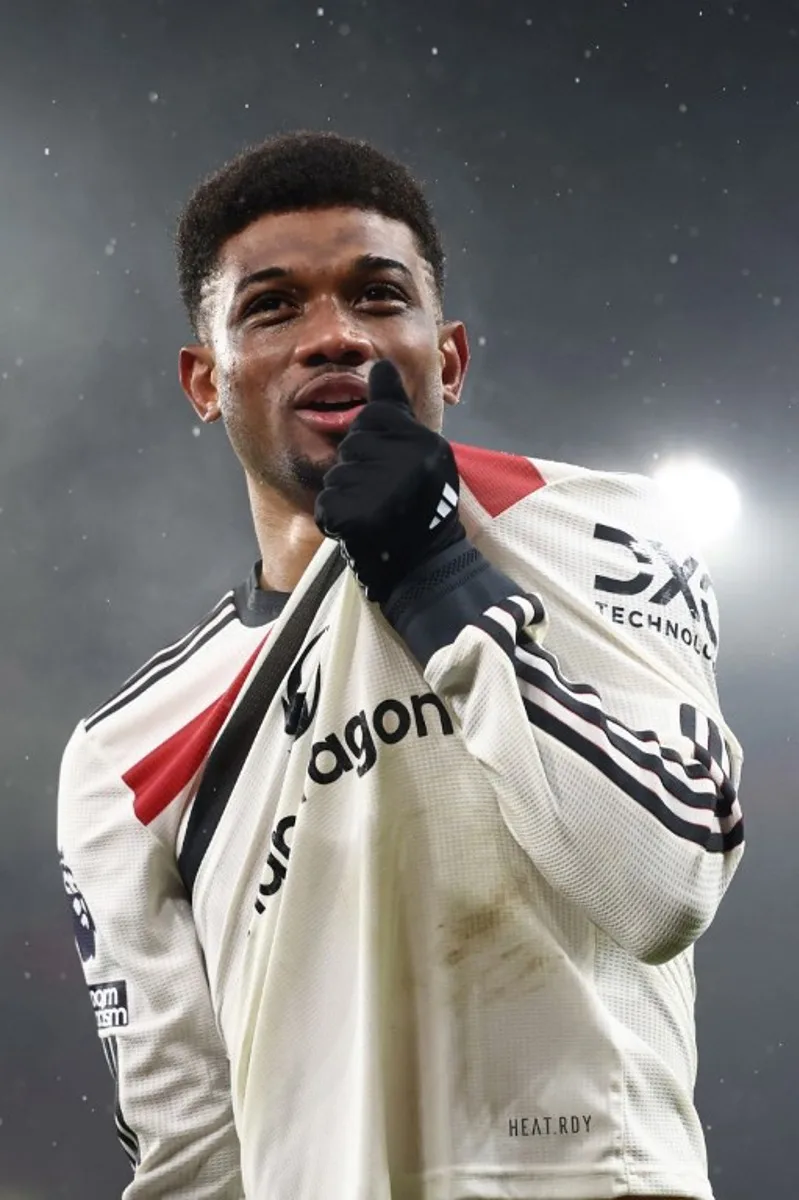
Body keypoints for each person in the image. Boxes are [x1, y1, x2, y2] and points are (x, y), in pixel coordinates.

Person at [57, 131, 744, 1200]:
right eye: (271, 307)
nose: (332, 335)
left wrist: (431, 574)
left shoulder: (598, 533)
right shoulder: (123, 754)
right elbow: (190, 1160)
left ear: (450, 356)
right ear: (204, 381)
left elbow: (661, 884)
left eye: (377, 297)